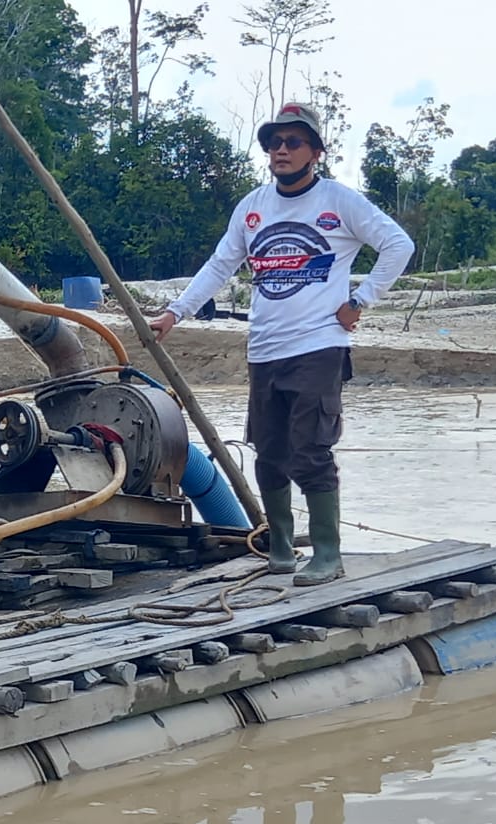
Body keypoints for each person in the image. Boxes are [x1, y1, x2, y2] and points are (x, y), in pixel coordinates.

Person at [150, 103, 413, 586]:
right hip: (265, 350)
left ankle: (328, 555)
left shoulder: (339, 202)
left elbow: (399, 245)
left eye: (294, 142)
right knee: (269, 453)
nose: (282, 151)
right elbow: (219, 265)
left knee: (311, 449)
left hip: (318, 347)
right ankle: (282, 548)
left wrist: (360, 300)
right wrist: (175, 311)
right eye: (275, 143)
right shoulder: (252, 208)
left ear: (315, 151)